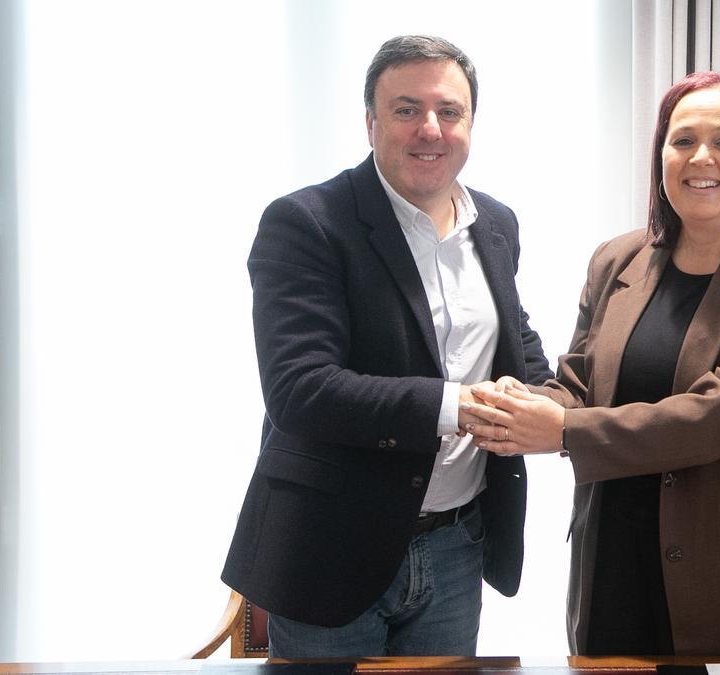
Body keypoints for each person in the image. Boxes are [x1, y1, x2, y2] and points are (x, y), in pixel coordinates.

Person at [462, 72, 720, 656]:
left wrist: (561, 430)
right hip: (616, 569)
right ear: (660, 155)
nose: (700, 157)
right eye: (682, 140)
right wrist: (519, 408)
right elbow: (578, 385)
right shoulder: (617, 260)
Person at [221, 35, 552, 658]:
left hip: (458, 546)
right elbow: (301, 389)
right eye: (406, 110)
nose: (430, 128)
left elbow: (519, 345)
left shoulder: (497, 223)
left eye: (448, 112)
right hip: (328, 546)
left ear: (470, 124)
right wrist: (463, 407)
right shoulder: (307, 223)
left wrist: (552, 403)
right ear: (371, 121)